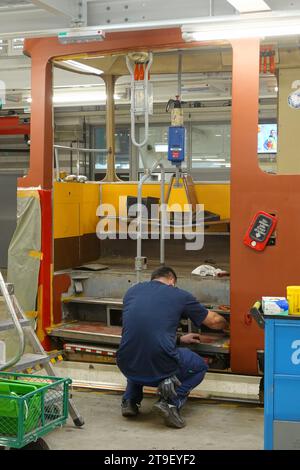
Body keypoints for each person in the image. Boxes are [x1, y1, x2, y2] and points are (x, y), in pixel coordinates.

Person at [116, 266, 229, 429]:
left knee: (138, 351)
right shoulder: (178, 294)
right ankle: (170, 403)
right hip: (160, 363)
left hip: (125, 361)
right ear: (171, 280)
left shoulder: (132, 291)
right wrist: (229, 326)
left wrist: (178, 339)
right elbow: (214, 321)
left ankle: (130, 400)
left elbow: (146, 327)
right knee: (199, 367)